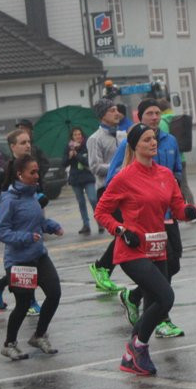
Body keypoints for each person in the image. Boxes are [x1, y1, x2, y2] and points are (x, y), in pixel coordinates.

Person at [94, 123, 196, 376]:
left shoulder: (165, 174)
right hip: (131, 250)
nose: (153, 143)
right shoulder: (124, 177)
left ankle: (134, 353)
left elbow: (176, 208)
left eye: (154, 139)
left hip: (157, 248)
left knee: (156, 304)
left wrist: (187, 211)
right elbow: (101, 212)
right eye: (147, 140)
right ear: (135, 146)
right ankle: (136, 347)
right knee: (166, 297)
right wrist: (120, 230)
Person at [109, 99, 186, 338]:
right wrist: (121, 228)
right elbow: (108, 198)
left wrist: (185, 209)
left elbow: (176, 174)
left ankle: (134, 300)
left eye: (158, 113)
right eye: (150, 113)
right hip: (138, 232)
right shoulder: (127, 157)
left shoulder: (170, 141)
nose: (155, 117)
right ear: (140, 118)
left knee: (172, 265)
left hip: (164, 223)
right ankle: (157, 324)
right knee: (163, 293)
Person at [0, 155, 63, 360]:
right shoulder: (9, 199)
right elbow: (1, 231)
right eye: (32, 172)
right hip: (18, 261)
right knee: (23, 304)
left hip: (39, 255)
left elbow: (36, 221)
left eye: (37, 171)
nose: (37, 175)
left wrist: (51, 226)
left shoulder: (33, 195)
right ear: (19, 174)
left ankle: (39, 335)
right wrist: (25, 237)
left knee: (54, 293)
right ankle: (9, 344)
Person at [0, 128, 48, 313]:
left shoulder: (33, 167)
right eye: (22, 142)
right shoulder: (4, 171)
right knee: (24, 263)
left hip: (33, 222)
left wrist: (40, 199)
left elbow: (40, 193)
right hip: (15, 229)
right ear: (12, 147)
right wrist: (5, 219)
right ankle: (29, 301)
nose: (27, 145)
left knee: (34, 259)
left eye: (28, 141)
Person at [87, 99, 126, 290]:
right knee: (123, 229)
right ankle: (102, 267)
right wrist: (118, 170)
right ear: (102, 115)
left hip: (126, 188)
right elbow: (95, 167)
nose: (116, 113)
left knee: (128, 229)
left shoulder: (122, 134)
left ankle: (103, 268)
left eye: (117, 110)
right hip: (107, 189)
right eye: (112, 110)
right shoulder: (95, 139)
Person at [64, 127, 97, 236]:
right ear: (72, 137)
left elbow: (88, 161)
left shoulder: (87, 145)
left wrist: (77, 155)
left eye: (79, 134)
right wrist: (69, 157)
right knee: (81, 202)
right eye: (75, 134)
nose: (78, 136)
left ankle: (100, 221)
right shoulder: (68, 147)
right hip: (75, 178)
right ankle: (86, 224)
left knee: (93, 199)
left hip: (87, 177)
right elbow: (63, 163)